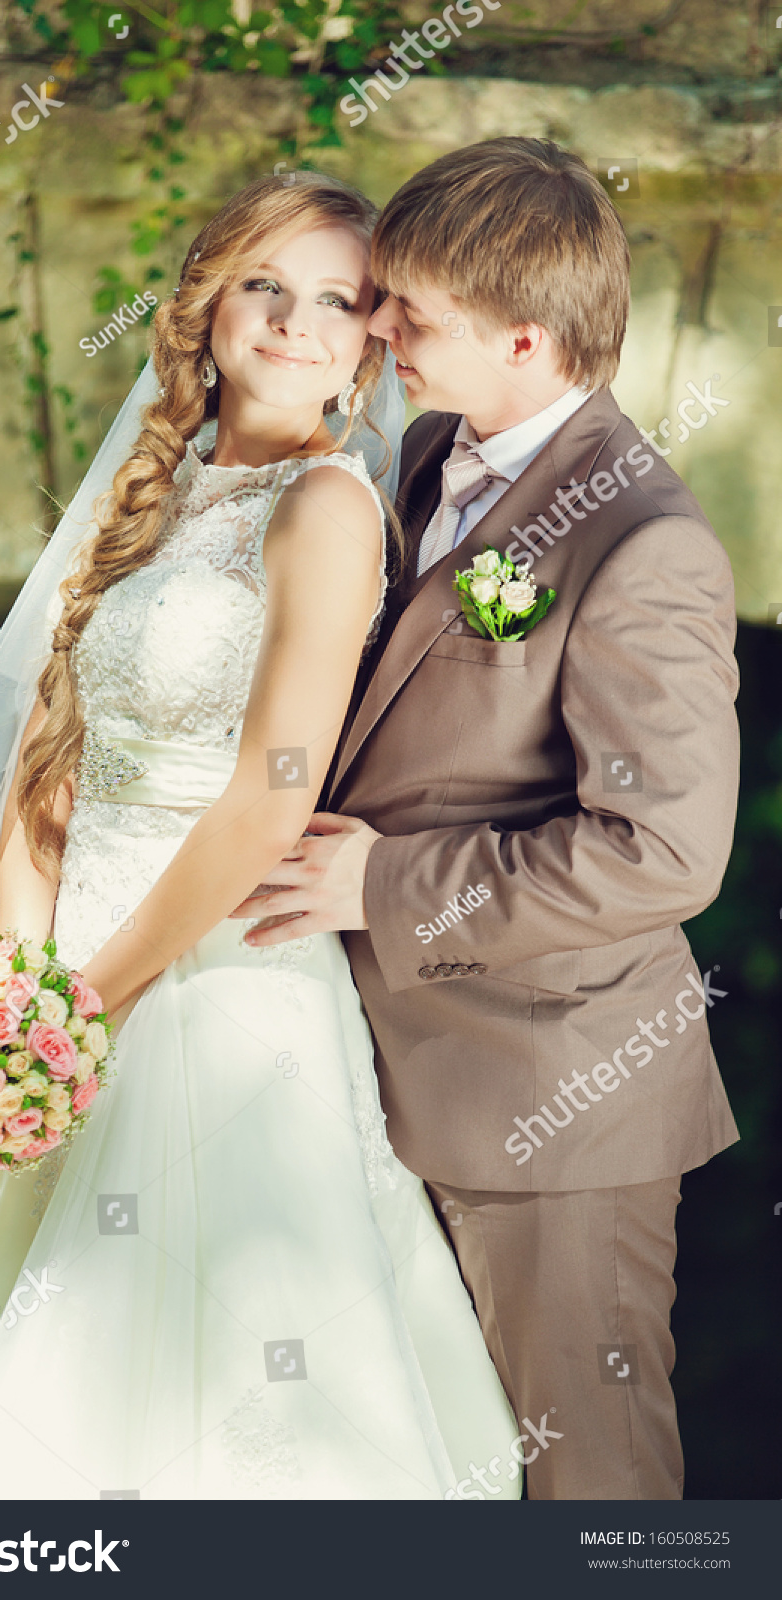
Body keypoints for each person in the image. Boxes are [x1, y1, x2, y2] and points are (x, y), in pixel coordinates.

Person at [0, 172, 518, 1501]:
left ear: (369, 340)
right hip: (57, 980)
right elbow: (44, 761)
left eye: (337, 301)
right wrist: (12, 979)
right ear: (207, 302)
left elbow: (269, 798)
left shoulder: (327, 508)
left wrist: (87, 1006)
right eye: (265, 287)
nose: (296, 324)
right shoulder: (155, 488)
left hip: (215, 991)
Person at [234, 139, 741, 1500]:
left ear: (525, 339)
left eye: (410, 314)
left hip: (548, 1101)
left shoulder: (645, 545)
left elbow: (662, 852)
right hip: (371, 1068)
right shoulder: (418, 456)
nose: (375, 329)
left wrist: (384, 887)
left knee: (588, 1481)